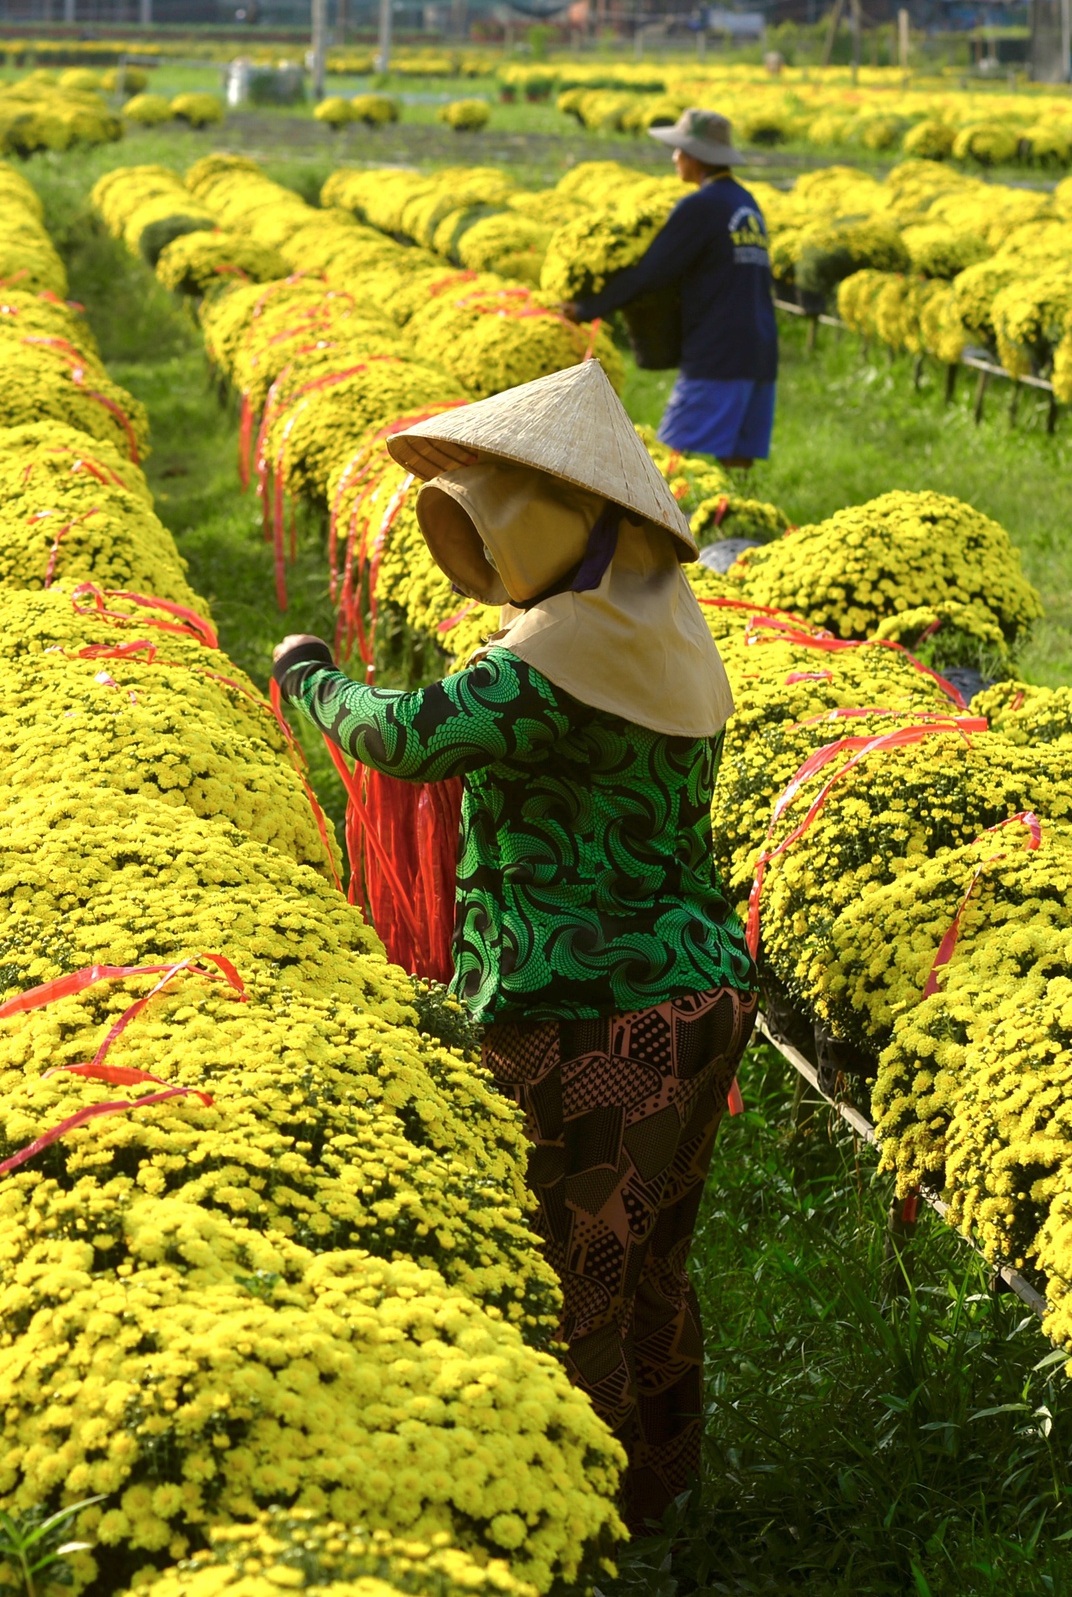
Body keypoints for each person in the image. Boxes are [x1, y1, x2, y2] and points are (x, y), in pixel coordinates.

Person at [272, 361, 753, 1535]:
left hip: (589, 1010)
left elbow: (403, 737)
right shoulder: (654, 624)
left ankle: (576, 1520)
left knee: (573, 1271)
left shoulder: (548, 668)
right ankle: (667, 1492)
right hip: (698, 994)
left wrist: (305, 678)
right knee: (655, 1264)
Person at [560, 107, 778, 472]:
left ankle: (671, 526)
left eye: (679, 150)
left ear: (696, 156)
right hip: (760, 351)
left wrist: (585, 308)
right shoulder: (745, 203)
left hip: (718, 354)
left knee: (666, 464)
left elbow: (650, 273)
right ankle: (734, 521)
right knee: (737, 462)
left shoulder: (701, 206)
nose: (674, 157)